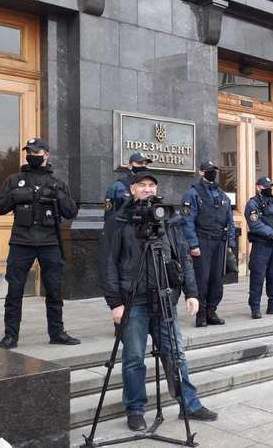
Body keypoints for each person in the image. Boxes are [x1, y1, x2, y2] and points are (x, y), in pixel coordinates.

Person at [103, 171, 217, 430]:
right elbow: (108, 263)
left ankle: (189, 404)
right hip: (134, 301)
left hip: (166, 297)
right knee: (133, 358)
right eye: (142, 185)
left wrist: (191, 292)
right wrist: (115, 303)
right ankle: (135, 409)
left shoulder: (169, 218)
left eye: (151, 185)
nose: (147, 189)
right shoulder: (119, 220)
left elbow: (184, 257)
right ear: (132, 189)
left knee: (176, 353)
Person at [0, 137, 80, 349]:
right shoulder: (15, 180)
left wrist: (58, 195)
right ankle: (10, 336)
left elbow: (71, 212)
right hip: (21, 243)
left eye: (36, 152)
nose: (31, 155)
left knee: (54, 291)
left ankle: (57, 332)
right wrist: (15, 196)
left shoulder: (58, 183)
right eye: (29, 152)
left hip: (50, 243)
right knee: (15, 291)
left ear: (46, 154)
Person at [181, 161, 236, 327]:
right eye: (209, 171)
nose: (212, 173)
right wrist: (193, 244)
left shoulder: (222, 195)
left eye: (214, 170)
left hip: (219, 242)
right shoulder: (192, 194)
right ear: (201, 172)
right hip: (202, 242)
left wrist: (230, 243)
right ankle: (201, 314)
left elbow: (230, 221)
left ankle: (212, 311)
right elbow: (187, 221)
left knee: (216, 280)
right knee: (201, 280)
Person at [244, 177, 273, 319]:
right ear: (258, 187)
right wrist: (272, 234)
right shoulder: (253, 204)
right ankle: (255, 307)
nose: (269, 188)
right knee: (257, 277)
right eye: (266, 186)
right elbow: (255, 224)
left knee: (272, 276)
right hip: (261, 245)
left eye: (270, 186)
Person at [103, 152, 152, 221]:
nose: (143, 166)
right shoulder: (117, 186)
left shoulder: (150, 187)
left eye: (145, 164)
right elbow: (108, 214)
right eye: (140, 163)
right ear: (129, 166)